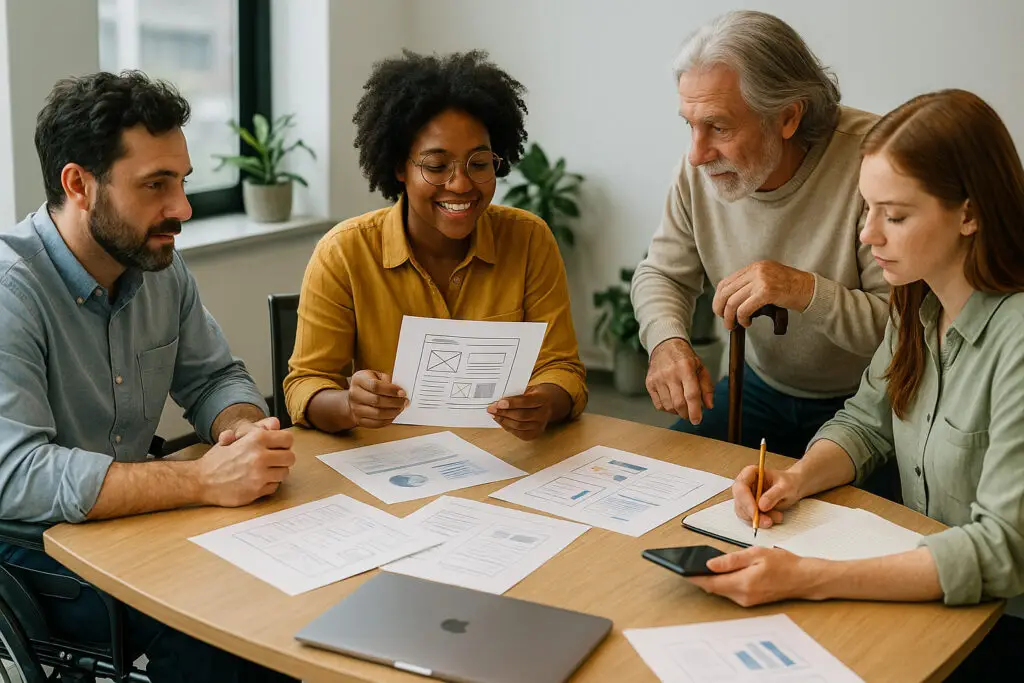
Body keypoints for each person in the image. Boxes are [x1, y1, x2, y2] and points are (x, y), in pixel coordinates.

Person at [688, 89, 1024, 680]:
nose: (868, 235)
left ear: (969, 214)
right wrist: (795, 478)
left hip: (999, 623)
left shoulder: (1016, 339)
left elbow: (1002, 549)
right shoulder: (917, 301)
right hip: (933, 597)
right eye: (865, 210)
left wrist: (811, 578)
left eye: (894, 215)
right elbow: (866, 420)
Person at [0, 71, 296, 682]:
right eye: (156, 185)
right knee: (229, 633)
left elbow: (216, 376)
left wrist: (240, 430)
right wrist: (199, 481)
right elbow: (17, 475)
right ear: (79, 184)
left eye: (183, 182)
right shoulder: (11, 291)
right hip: (30, 555)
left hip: (135, 527)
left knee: (287, 598)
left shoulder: (161, 268)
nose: (182, 209)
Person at [284, 50, 587, 441]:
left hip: (504, 458)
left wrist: (544, 403)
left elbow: (561, 367)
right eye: (436, 165)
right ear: (399, 167)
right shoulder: (344, 252)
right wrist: (349, 405)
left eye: (479, 164)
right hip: (390, 465)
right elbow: (307, 383)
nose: (461, 184)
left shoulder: (529, 240)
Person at [631, 10, 889, 458]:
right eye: (689, 124)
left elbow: (904, 331)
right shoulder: (699, 171)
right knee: (661, 475)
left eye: (719, 126)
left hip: (870, 402)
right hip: (758, 386)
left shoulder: (877, 162)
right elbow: (662, 274)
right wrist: (667, 341)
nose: (696, 155)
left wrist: (804, 289)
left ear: (787, 117)